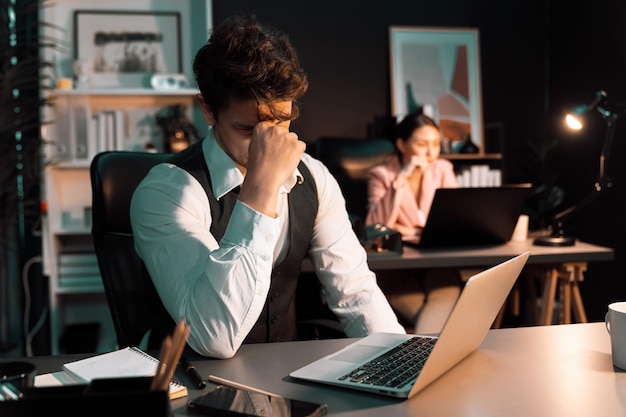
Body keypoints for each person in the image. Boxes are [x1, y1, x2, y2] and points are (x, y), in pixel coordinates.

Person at [130, 14, 405, 359]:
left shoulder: (315, 178)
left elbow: (355, 291)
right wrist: (261, 186)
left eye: (282, 122)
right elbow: (214, 337)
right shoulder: (165, 192)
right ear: (208, 111)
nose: (270, 142)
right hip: (191, 384)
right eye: (249, 129)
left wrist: (400, 360)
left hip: (282, 377)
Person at [365, 110, 464, 334]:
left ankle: (422, 358)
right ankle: (431, 358)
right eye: (422, 144)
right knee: (443, 316)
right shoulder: (381, 174)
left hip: (433, 261)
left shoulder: (442, 169)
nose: (431, 153)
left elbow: (453, 219)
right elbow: (375, 227)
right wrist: (400, 181)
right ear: (402, 145)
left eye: (436, 144)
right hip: (395, 267)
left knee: (445, 291)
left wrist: (405, 229)